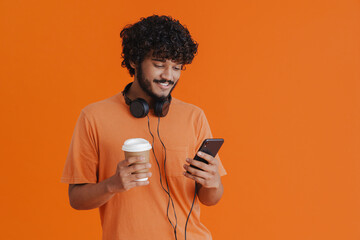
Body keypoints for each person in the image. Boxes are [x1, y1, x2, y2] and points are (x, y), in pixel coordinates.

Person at [61, 15, 227, 240]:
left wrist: (213, 183)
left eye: (177, 67)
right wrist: (112, 185)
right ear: (134, 61)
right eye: (159, 65)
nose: (168, 76)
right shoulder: (93, 117)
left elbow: (210, 198)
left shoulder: (194, 117)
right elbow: (76, 199)